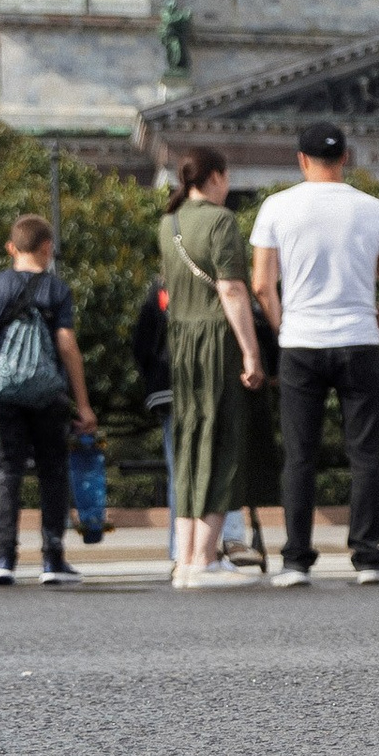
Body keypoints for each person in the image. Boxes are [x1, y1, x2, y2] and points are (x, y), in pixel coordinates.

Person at [249, 126, 379, 587]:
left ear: (302, 160)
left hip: (301, 340)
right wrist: (376, 328)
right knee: (365, 454)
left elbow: (261, 284)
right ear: (345, 158)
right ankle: (369, 557)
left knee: (299, 455)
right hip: (358, 338)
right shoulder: (374, 209)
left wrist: (282, 327)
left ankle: (296, 559)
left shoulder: (277, 207)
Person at [0, 213, 97, 585]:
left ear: (11, 248)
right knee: (52, 470)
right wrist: (84, 403)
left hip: (3, 392)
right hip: (48, 392)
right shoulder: (57, 290)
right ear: (48, 248)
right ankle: (52, 559)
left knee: (5, 470)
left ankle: (4, 559)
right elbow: (68, 346)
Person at [159, 148, 267, 588]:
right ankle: (205, 558)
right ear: (217, 177)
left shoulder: (168, 223)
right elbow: (232, 289)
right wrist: (251, 352)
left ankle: (185, 559)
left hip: (181, 345)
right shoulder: (222, 222)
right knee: (223, 443)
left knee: (189, 445)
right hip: (215, 342)